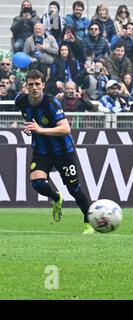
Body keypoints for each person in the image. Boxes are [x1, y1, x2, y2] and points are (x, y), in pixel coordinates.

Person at [15, 69, 94, 234]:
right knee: (37, 182)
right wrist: (31, 128)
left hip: (63, 152)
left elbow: (66, 129)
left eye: (38, 84)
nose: (35, 87)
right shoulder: (20, 101)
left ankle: (89, 222)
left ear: (43, 85)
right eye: (31, 84)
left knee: (75, 189)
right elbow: (31, 120)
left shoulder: (51, 103)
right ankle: (57, 197)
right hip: (42, 151)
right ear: (26, 87)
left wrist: (39, 130)